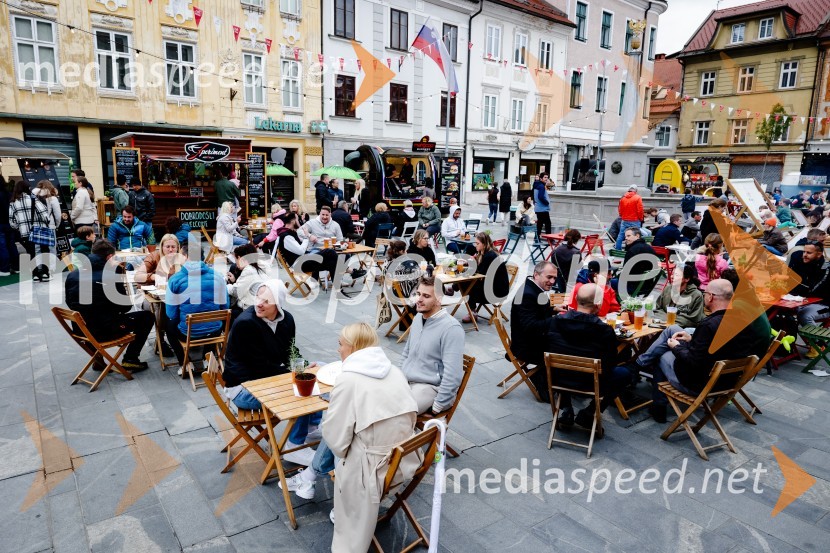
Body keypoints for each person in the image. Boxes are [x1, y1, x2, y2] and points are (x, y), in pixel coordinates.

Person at [281, 323, 418, 550]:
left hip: (373, 470)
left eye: (340, 345)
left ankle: (315, 483)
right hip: (406, 458)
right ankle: (310, 478)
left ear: (353, 348)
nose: (338, 350)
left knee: (335, 437)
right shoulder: (394, 371)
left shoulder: (348, 380)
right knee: (344, 433)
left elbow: (336, 440)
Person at [622, 279, 769, 423]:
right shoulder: (744, 321)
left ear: (711, 297)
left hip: (698, 384)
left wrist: (677, 347)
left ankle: (657, 404)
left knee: (663, 353)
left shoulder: (709, 325)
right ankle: (637, 367)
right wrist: (691, 339)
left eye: (705, 293)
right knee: (672, 329)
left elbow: (693, 361)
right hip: (726, 382)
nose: (704, 295)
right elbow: (722, 348)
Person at [222, 280, 320, 466]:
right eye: (258, 297)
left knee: (316, 372)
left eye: (267, 300)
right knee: (301, 392)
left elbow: (289, 351)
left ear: (278, 304)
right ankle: (294, 446)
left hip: (266, 379)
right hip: (243, 388)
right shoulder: (246, 324)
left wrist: (304, 367)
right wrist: (296, 376)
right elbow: (260, 366)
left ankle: (311, 425)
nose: (259, 303)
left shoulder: (287, 320)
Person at [545, 283, 633, 429]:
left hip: (558, 379)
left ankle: (566, 409)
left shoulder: (555, 322)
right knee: (624, 374)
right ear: (598, 305)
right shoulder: (603, 330)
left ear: (577, 300)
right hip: (591, 383)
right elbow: (610, 363)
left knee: (560, 363)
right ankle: (590, 412)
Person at [64, 239, 154, 372]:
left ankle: (98, 359)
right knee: (147, 317)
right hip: (104, 331)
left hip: (81, 330)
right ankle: (130, 358)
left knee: (97, 315)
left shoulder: (72, 275)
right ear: (110, 257)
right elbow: (125, 307)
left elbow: (70, 303)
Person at [401, 275, 465, 414]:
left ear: (439, 299)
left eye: (426, 296)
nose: (419, 299)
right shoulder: (418, 318)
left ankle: (411, 434)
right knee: (376, 399)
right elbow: (406, 353)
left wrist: (439, 405)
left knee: (397, 413)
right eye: (418, 294)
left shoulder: (452, 329)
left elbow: (453, 374)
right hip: (407, 381)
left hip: (429, 387)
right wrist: (400, 376)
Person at [165, 249, 229, 375]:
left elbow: (171, 314)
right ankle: (208, 358)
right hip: (215, 330)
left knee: (169, 326)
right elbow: (225, 306)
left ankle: (185, 363)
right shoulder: (217, 276)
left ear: (185, 256)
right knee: (212, 321)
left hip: (188, 332)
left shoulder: (175, 279)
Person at [510, 261, 557, 400]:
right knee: (569, 348)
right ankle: (542, 378)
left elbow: (536, 312)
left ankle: (548, 378)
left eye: (555, 278)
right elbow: (530, 326)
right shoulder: (528, 294)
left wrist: (553, 310)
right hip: (526, 346)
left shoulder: (533, 288)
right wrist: (558, 319)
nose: (552, 281)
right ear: (536, 274)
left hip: (530, 339)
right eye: (549, 277)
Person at [788, 240, 830, 356]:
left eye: (809, 253)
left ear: (819, 254)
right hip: (806, 301)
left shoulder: (825, 269)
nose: (804, 255)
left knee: (805, 314)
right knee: (785, 311)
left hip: (825, 305)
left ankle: (818, 345)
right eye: (804, 251)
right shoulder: (802, 262)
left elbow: (812, 289)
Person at [278, 212, 339, 282]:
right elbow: (301, 251)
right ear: (293, 221)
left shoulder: (290, 233)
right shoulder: (286, 236)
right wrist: (307, 236)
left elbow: (301, 244)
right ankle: (344, 270)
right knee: (330, 251)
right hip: (300, 264)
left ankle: (337, 288)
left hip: (304, 260)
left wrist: (306, 237)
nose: (298, 222)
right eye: (297, 220)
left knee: (332, 263)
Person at [8, 180, 51, 281]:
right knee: (44, 250)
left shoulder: (13, 202)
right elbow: (43, 212)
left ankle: (35, 274)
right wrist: (47, 221)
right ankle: (44, 273)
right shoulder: (33, 199)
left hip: (25, 231)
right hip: (40, 227)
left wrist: (20, 227)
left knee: (31, 252)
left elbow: (11, 221)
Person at [462, 232, 509, 322]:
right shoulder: (486, 253)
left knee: (467, 284)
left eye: (477, 243)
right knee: (467, 282)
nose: (475, 246)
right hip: (493, 286)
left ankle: (472, 312)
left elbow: (479, 275)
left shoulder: (489, 256)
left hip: (497, 293)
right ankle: (472, 311)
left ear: (484, 244)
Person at [654, 264, 705, 328]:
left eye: (676, 275)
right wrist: (669, 319)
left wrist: (666, 319)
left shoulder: (696, 295)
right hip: (662, 326)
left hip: (682, 331)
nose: (672, 277)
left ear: (687, 279)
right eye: (672, 274)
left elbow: (692, 321)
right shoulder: (668, 289)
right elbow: (657, 310)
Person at [226, 243, 269, 313]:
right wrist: (234, 281)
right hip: (266, 305)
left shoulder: (249, 270)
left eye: (235, 259)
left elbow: (236, 292)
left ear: (239, 258)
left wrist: (224, 285)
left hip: (253, 309)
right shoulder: (262, 265)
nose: (236, 263)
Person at [622, 227, 659, 296]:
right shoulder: (649, 248)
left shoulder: (632, 250)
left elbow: (625, 271)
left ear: (637, 236)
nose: (626, 238)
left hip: (633, 285)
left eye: (628, 236)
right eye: (625, 236)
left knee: (608, 283)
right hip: (648, 285)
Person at [616, 185, 644, 250]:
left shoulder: (623, 198)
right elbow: (640, 210)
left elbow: (620, 209)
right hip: (635, 220)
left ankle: (618, 249)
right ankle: (634, 249)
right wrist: (641, 218)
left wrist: (622, 216)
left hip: (625, 219)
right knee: (636, 235)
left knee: (621, 235)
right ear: (636, 190)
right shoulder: (638, 197)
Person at [128, 178, 156, 244]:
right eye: (132, 186)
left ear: (139, 184)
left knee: (148, 239)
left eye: (135, 185)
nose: (134, 187)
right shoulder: (131, 194)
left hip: (146, 220)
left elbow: (152, 209)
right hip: (136, 220)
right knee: (137, 238)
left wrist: (145, 218)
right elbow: (130, 207)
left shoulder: (147, 194)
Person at [0, 177, 17, 276]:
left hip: (1, 224)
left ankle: (4, 269)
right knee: (11, 245)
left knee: (2, 246)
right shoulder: (9, 194)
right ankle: (16, 266)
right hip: (10, 223)